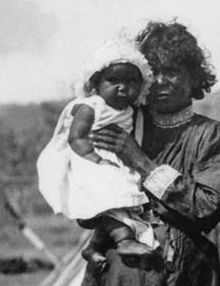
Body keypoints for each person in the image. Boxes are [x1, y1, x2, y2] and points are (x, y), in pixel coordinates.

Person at [51, 21, 220, 286]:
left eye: (173, 72)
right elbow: (87, 188)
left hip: (185, 281)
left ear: (194, 78)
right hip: (121, 278)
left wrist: (140, 161)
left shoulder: (214, 136)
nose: (160, 82)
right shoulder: (120, 123)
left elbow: (206, 207)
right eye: (153, 72)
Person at [36, 36, 157, 264]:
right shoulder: (92, 106)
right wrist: (96, 159)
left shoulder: (131, 110)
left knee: (117, 204)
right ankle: (124, 241)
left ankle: (94, 245)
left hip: (116, 159)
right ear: (96, 84)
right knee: (111, 197)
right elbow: (76, 137)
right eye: (114, 81)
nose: (123, 88)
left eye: (132, 82)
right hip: (90, 160)